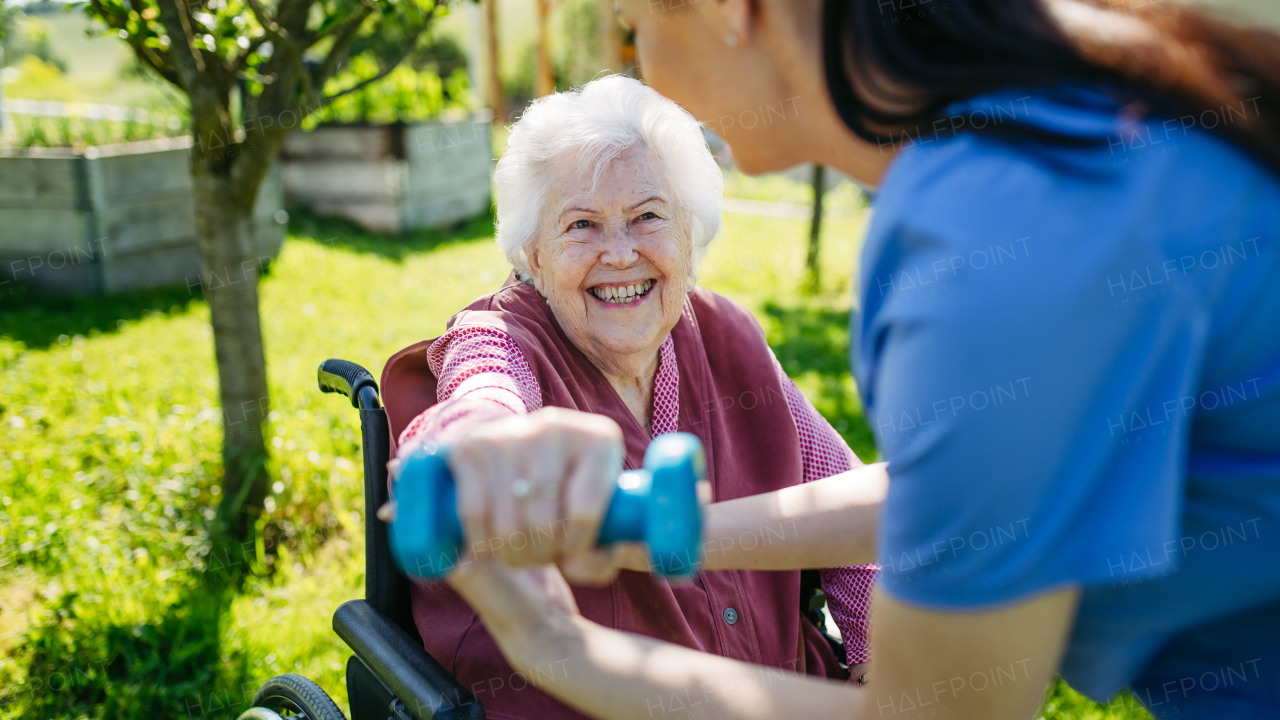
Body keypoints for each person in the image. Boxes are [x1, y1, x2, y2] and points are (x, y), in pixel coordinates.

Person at [428, 0, 1280, 718]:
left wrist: (557, 647)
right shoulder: (1051, 138)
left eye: (633, 23)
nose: (641, 59)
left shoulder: (994, 235)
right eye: (581, 224)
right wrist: (649, 536)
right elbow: (941, 491)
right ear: (530, 254)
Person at [379, 75, 879, 720]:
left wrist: (875, 665)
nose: (621, 253)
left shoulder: (728, 336)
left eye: (648, 216)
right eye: (582, 224)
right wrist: (479, 451)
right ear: (531, 252)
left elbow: (850, 514)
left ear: (689, 233)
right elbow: (478, 401)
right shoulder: (499, 340)